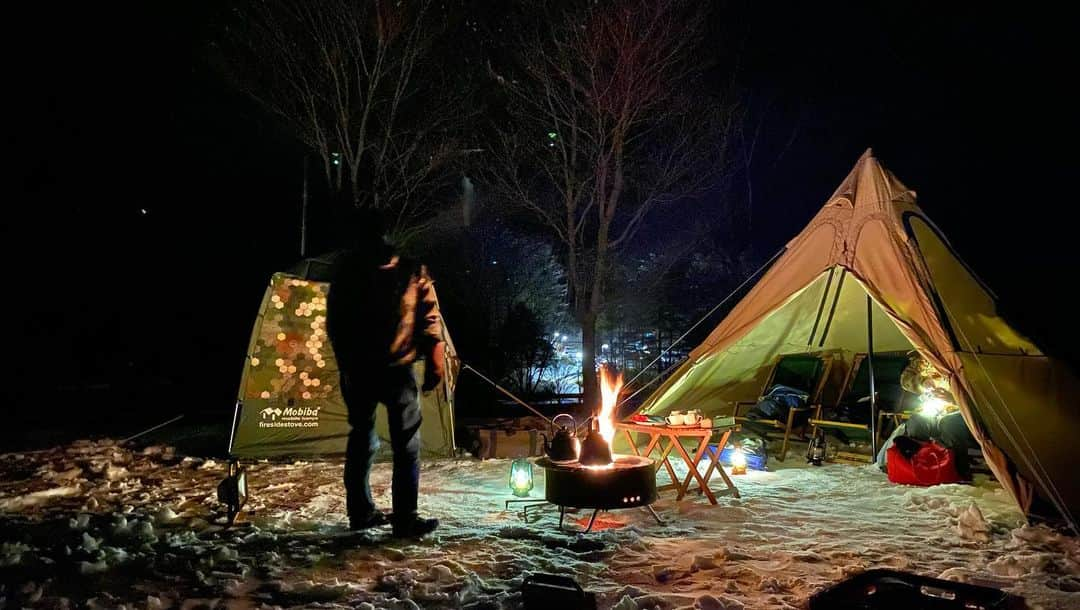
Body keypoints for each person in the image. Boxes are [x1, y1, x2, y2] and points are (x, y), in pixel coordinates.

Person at [326, 210, 446, 537]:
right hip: (397, 371)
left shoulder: (348, 272)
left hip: (362, 370)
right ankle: (404, 518)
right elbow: (430, 320)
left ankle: (362, 513)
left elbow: (335, 324)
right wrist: (436, 362)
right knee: (404, 445)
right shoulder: (412, 270)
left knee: (363, 437)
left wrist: (346, 364)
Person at [895, 351, 977, 479]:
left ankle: (956, 471)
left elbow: (980, 398)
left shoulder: (964, 360)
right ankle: (919, 467)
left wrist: (954, 399)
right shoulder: (925, 357)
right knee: (917, 421)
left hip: (963, 410)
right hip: (937, 409)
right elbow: (905, 379)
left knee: (949, 423)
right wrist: (923, 381)